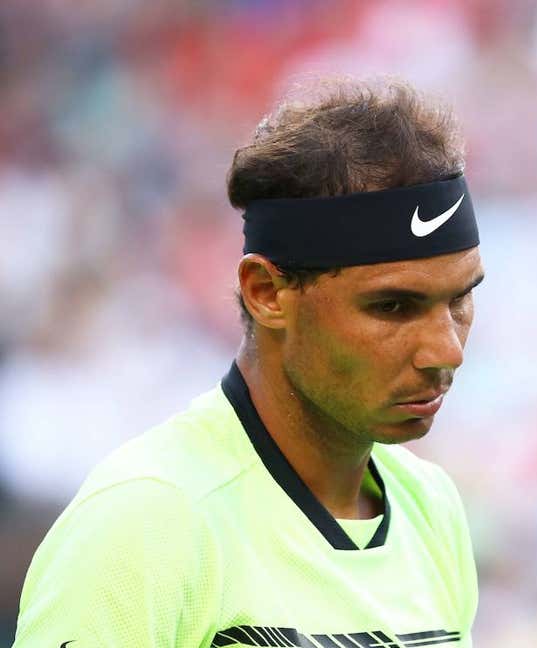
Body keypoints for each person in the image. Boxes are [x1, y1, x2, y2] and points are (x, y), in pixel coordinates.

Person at [15, 78, 482, 647]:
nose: (446, 350)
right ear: (267, 292)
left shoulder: (432, 508)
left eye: (459, 299)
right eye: (391, 306)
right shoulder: (145, 521)